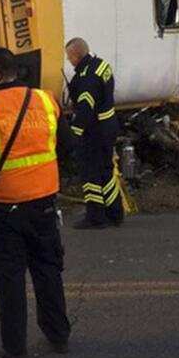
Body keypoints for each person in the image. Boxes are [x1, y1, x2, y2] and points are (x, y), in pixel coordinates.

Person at [0, 48, 71, 358]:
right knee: (48, 270)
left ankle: (15, 346)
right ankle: (58, 335)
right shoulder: (46, 101)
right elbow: (65, 146)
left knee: (9, 279)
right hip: (44, 203)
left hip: (3, 209)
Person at [64, 37, 123, 229]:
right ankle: (114, 212)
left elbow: (84, 110)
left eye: (69, 57)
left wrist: (73, 135)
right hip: (109, 125)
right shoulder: (101, 65)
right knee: (106, 171)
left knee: (90, 174)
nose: (69, 61)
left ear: (76, 55)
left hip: (94, 131)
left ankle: (95, 215)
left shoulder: (85, 79)